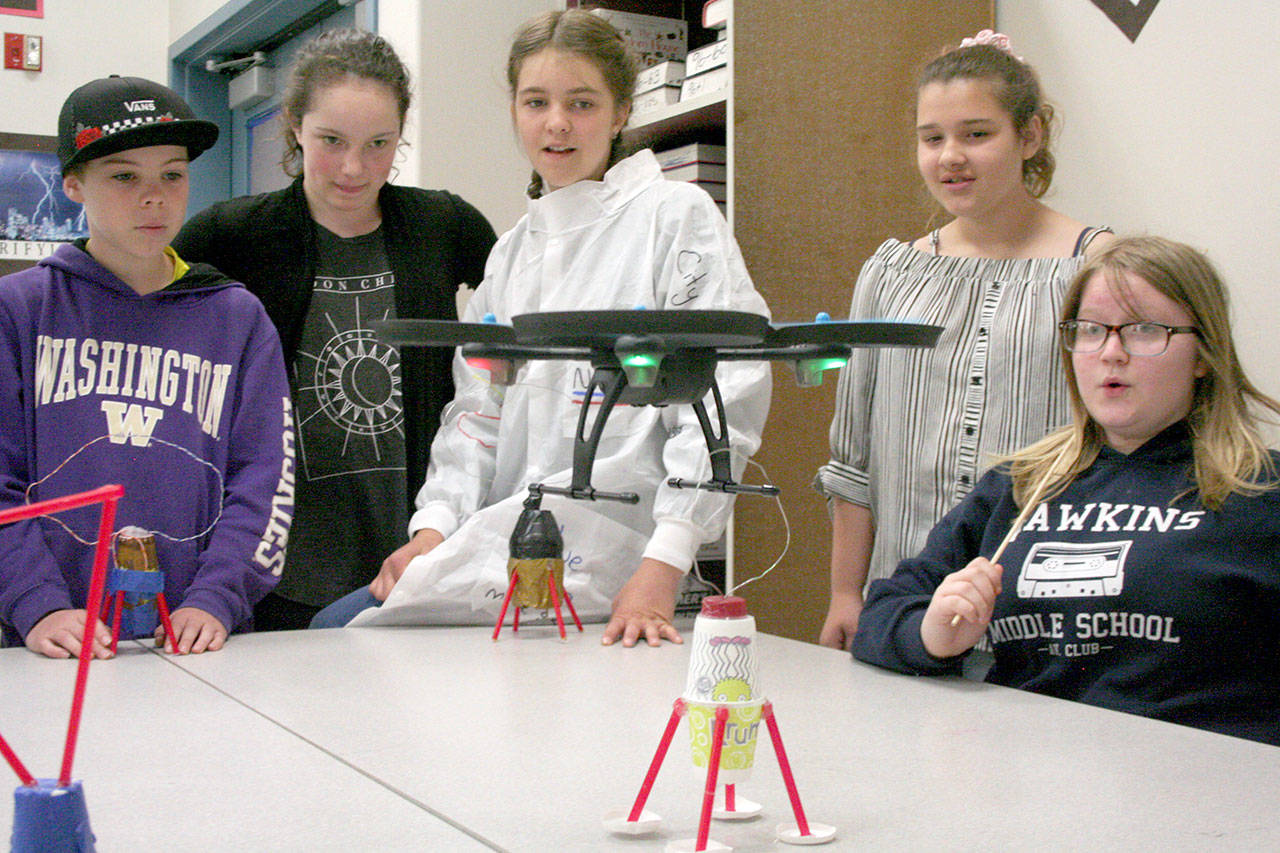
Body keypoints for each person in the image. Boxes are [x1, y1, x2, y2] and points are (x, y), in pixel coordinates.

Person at [311, 9, 771, 646]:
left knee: (347, 640)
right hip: (513, 539)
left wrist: (664, 564)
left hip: (623, 555)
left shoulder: (674, 218)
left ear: (620, 111)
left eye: (581, 103)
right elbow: (477, 415)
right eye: (536, 102)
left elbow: (721, 401)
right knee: (335, 636)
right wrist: (432, 530)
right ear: (514, 110)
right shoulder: (512, 254)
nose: (557, 123)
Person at [852, 236, 1280, 745]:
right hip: (1026, 762)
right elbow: (879, 617)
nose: (1111, 353)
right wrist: (933, 633)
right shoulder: (1021, 484)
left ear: (1204, 354)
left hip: (1199, 773)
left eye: (1145, 330)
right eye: (1091, 330)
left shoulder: (1262, 492)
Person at [174, 28, 497, 630]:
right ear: (295, 126)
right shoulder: (230, 235)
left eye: (379, 144)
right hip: (272, 572)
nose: (354, 168)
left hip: (415, 560)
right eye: (332, 141)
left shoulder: (443, 224)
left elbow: (524, 325)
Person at [816, 30, 1113, 650]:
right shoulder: (891, 272)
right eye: (932, 138)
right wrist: (846, 592)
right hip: (902, 611)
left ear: (1029, 136)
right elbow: (854, 456)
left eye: (976, 134)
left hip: (1039, 617)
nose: (951, 156)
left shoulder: (1096, 268)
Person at [0, 75, 294, 658]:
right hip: (48, 645)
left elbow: (266, 479)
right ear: (73, 184)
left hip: (197, 641)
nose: (154, 197)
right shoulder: (20, 310)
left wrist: (218, 596)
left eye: (172, 174)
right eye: (125, 177)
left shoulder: (237, 318)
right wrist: (37, 601)